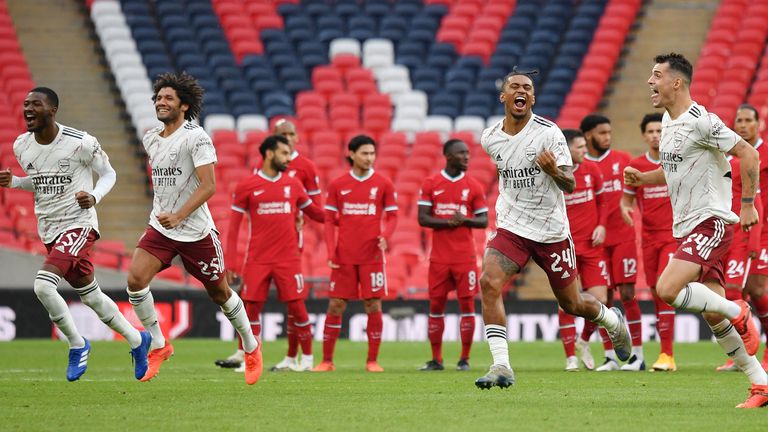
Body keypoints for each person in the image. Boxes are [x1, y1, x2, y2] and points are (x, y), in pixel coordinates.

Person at [625, 52, 766, 408]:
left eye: (656, 76)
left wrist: (746, 204)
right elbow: (673, 170)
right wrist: (644, 178)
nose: (649, 82)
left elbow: (749, 154)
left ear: (677, 82)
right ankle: (761, 384)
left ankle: (741, 312)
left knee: (667, 288)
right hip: (688, 226)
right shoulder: (668, 122)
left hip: (713, 221)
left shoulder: (702, 120)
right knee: (714, 316)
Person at [474, 69, 631, 390]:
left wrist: (551, 170)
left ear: (533, 98)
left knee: (573, 304)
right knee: (489, 282)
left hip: (551, 232)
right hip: (512, 226)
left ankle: (612, 320)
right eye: (514, 87)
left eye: (527, 88)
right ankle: (501, 365)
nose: (521, 91)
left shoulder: (549, 134)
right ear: (503, 97)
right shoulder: (490, 138)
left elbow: (570, 183)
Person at [0, 87, 150, 381]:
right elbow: (42, 182)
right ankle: (137, 340)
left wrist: (94, 196)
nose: (28, 109)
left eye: (36, 104)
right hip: (49, 229)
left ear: (52, 110)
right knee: (92, 296)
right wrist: (16, 182)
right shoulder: (22, 146)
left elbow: (109, 173)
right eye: (25, 104)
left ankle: (77, 344)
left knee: (43, 286)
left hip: (79, 224)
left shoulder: (81, 142)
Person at [125, 72, 262, 385]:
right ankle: (160, 344)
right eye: (158, 98)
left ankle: (252, 348)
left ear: (183, 106)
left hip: (196, 231)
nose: (161, 102)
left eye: (168, 98)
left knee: (220, 293)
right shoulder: (150, 138)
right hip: (161, 227)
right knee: (135, 280)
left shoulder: (196, 137)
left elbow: (209, 185)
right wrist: (166, 214)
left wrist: (179, 214)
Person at [215, 119, 323, 372]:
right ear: (269, 153)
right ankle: (251, 358)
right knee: (250, 307)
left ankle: (306, 360)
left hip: (288, 258)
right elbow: (234, 227)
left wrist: (348, 215)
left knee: (297, 306)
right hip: (258, 258)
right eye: (284, 153)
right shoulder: (247, 185)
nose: (289, 158)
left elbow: (317, 214)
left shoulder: (294, 184)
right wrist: (230, 261)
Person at [313, 135, 398, 372]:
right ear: (351, 154)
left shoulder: (383, 183)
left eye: (372, 153)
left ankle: (372, 361)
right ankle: (327, 361)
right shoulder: (337, 185)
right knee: (336, 305)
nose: (369, 158)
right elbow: (329, 221)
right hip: (344, 256)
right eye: (364, 153)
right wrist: (331, 250)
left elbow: (392, 216)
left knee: (373, 304)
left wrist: (386, 236)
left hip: (372, 256)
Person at [417, 138, 488, 371]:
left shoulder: (474, 185)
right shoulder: (431, 183)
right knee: (436, 306)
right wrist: (449, 222)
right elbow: (422, 217)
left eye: (468, 153)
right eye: (461, 153)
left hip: (465, 257)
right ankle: (436, 359)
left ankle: (464, 359)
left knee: (467, 306)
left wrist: (464, 219)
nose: (467, 157)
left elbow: (483, 220)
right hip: (439, 258)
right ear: (448, 156)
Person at [580, 114, 644, 372]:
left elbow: (636, 193)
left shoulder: (623, 160)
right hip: (596, 242)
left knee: (627, 293)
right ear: (588, 136)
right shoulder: (581, 165)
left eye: (609, 132)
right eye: (602, 133)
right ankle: (610, 357)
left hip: (623, 237)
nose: (607, 137)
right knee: (603, 300)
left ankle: (638, 355)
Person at [620, 113, 678, 372]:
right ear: (644, 135)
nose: (655, 135)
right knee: (656, 292)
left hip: (673, 236)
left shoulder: (675, 162)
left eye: (659, 130)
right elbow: (627, 198)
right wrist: (625, 209)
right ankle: (665, 353)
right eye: (651, 131)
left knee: (665, 292)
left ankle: (667, 354)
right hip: (649, 238)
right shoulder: (636, 165)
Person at [717, 104, 768, 373]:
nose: (743, 125)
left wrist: (756, 239)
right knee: (739, 291)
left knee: (756, 290)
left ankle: (759, 352)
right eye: (739, 120)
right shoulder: (732, 157)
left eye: (749, 120)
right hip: (740, 227)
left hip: (760, 229)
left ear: (759, 124)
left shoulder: (763, 154)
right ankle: (743, 354)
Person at [558, 129, 610, 372]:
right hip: (564, 246)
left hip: (591, 246)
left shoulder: (592, 170)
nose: (584, 151)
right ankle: (570, 357)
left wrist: (601, 224)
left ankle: (584, 341)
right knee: (565, 302)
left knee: (601, 300)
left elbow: (603, 201)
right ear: (567, 149)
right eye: (579, 147)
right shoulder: (556, 175)